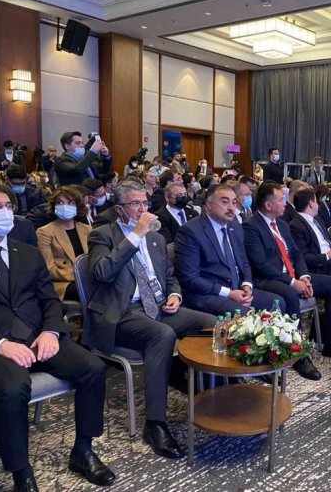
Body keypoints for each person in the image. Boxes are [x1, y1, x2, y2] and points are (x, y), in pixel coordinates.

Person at [0, 184, 115, 490]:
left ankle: (83, 450)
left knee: (92, 367)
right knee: (13, 388)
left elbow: (49, 300)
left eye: (7, 206)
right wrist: (0, 344)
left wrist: (51, 331)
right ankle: (21, 471)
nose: (4, 212)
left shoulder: (26, 253)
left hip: (36, 335)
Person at [86, 181, 216, 459]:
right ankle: (155, 423)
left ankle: (208, 392)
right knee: (162, 335)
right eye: (135, 203)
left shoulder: (156, 239)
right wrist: (135, 236)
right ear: (119, 209)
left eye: (145, 203)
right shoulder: (102, 235)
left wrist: (175, 296)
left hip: (158, 306)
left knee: (210, 322)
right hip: (123, 312)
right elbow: (103, 272)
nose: (143, 209)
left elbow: (169, 276)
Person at [243, 182, 331, 373]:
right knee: (290, 294)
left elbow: (296, 254)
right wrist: (293, 282)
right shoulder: (251, 227)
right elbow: (261, 265)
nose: (286, 203)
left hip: (293, 275)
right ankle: (299, 353)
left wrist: (304, 277)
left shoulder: (282, 225)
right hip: (268, 279)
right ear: (268, 205)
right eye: (281, 200)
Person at [175, 184, 284, 317]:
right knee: (242, 313)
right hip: (208, 293)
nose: (231, 207)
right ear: (209, 205)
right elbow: (190, 278)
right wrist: (229, 293)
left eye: (234, 202)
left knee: (276, 302)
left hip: (237, 289)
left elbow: (244, 262)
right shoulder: (190, 231)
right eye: (225, 202)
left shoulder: (235, 227)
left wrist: (247, 284)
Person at [36, 186, 91, 302]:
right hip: (62, 282)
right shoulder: (44, 232)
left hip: (88, 277)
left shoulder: (87, 229)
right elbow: (48, 268)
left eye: (70, 203)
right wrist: (78, 275)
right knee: (92, 290)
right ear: (54, 206)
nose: (65, 207)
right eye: (60, 203)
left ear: (77, 206)